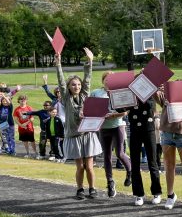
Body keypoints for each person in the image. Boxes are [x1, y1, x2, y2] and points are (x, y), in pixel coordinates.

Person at [56, 48, 102, 199]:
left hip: (87, 135)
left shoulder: (85, 95)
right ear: (69, 87)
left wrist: (90, 61)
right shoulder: (66, 99)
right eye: (73, 85)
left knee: (89, 166)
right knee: (80, 166)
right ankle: (80, 189)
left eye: (78, 85)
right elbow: (61, 82)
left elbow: (88, 79)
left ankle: (92, 188)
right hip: (74, 136)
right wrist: (58, 64)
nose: (77, 87)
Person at [156, 84, 182, 209]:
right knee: (169, 165)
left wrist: (175, 105)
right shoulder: (164, 98)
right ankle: (170, 195)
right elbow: (153, 92)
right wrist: (157, 86)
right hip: (167, 134)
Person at [92, 87, 133, 197]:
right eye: (106, 79)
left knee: (119, 153)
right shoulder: (96, 93)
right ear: (103, 81)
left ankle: (130, 171)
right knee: (107, 155)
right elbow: (90, 109)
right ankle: (110, 182)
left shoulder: (119, 93)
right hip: (103, 128)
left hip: (117, 126)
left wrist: (113, 115)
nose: (108, 82)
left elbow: (125, 112)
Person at [126, 89, 163, 206]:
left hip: (149, 129)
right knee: (135, 163)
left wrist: (143, 94)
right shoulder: (129, 95)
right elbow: (121, 108)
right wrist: (113, 98)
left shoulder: (149, 93)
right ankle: (138, 194)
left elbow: (150, 105)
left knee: (153, 162)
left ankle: (157, 192)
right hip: (135, 130)